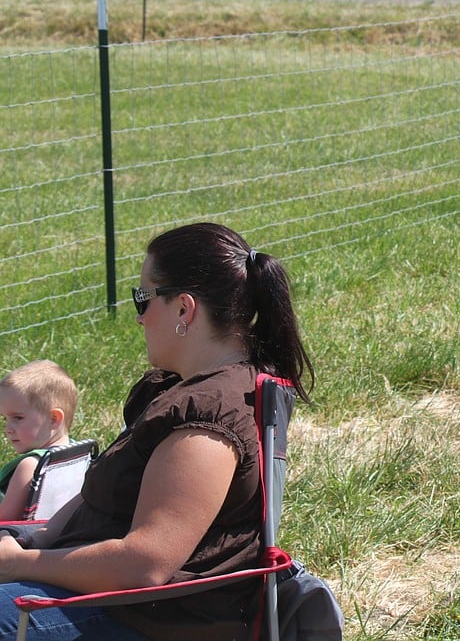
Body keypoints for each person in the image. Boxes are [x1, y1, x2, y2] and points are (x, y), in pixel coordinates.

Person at [0, 222, 315, 639]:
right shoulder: (183, 387)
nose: (139, 317)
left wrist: (18, 563)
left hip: (143, 620)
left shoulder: (209, 422)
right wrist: (30, 538)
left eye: (143, 299)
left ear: (184, 309)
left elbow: (144, 564)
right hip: (106, 596)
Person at [0, 360, 77, 521]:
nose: (8, 428)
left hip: (17, 540)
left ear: (53, 418)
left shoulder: (30, 466)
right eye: (5, 418)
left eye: (18, 418)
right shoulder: (78, 456)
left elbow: (5, 520)